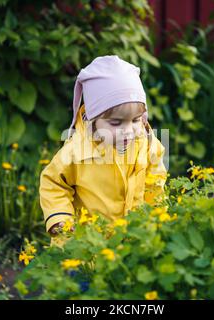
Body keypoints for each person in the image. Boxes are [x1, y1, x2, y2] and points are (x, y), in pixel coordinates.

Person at [39, 55, 168, 248]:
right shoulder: (77, 150)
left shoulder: (148, 145)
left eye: (135, 120)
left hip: (134, 241)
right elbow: (54, 183)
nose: (128, 130)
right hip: (86, 245)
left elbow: (155, 184)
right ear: (93, 118)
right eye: (116, 123)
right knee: (86, 277)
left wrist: (158, 220)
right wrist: (61, 218)